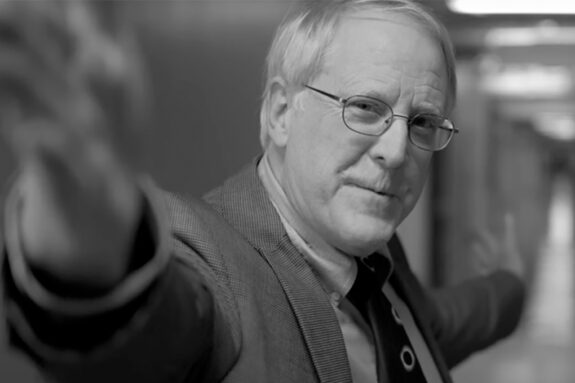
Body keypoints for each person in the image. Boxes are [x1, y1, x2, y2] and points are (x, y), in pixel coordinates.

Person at [0, 1, 525, 382]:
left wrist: (509, 287)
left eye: (424, 121)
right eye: (365, 108)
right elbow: (152, 335)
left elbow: (437, 325)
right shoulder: (209, 258)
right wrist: (91, 260)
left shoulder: (376, 258)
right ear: (280, 113)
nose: (396, 151)